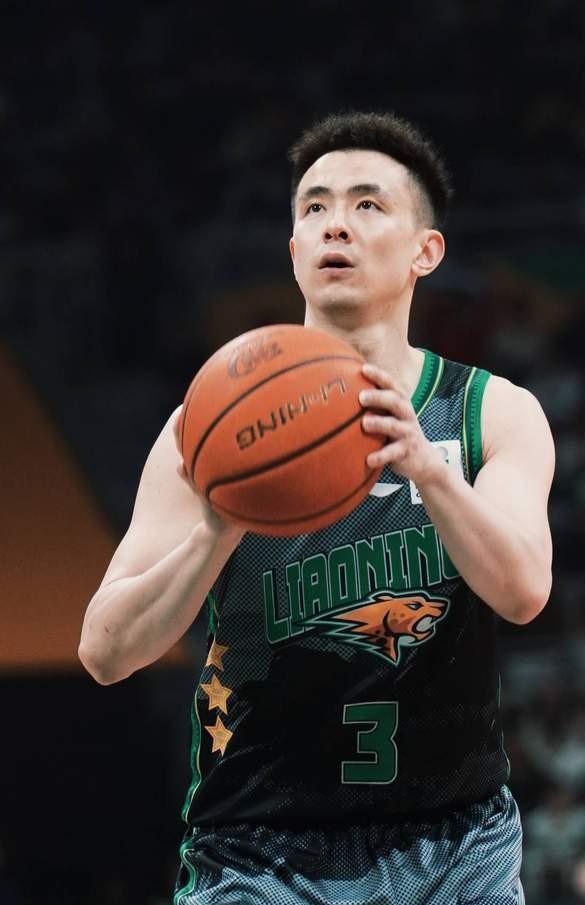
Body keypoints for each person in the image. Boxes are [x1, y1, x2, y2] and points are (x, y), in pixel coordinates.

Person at [79, 111, 555, 904]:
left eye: (367, 204)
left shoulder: (489, 413)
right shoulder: (205, 430)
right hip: (261, 850)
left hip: (453, 843)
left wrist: (429, 473)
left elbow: (523, 591)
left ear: (424, 251)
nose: (336, 222)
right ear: (295, 249)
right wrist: (217, 527)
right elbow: (104, 651)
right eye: (314, 207)